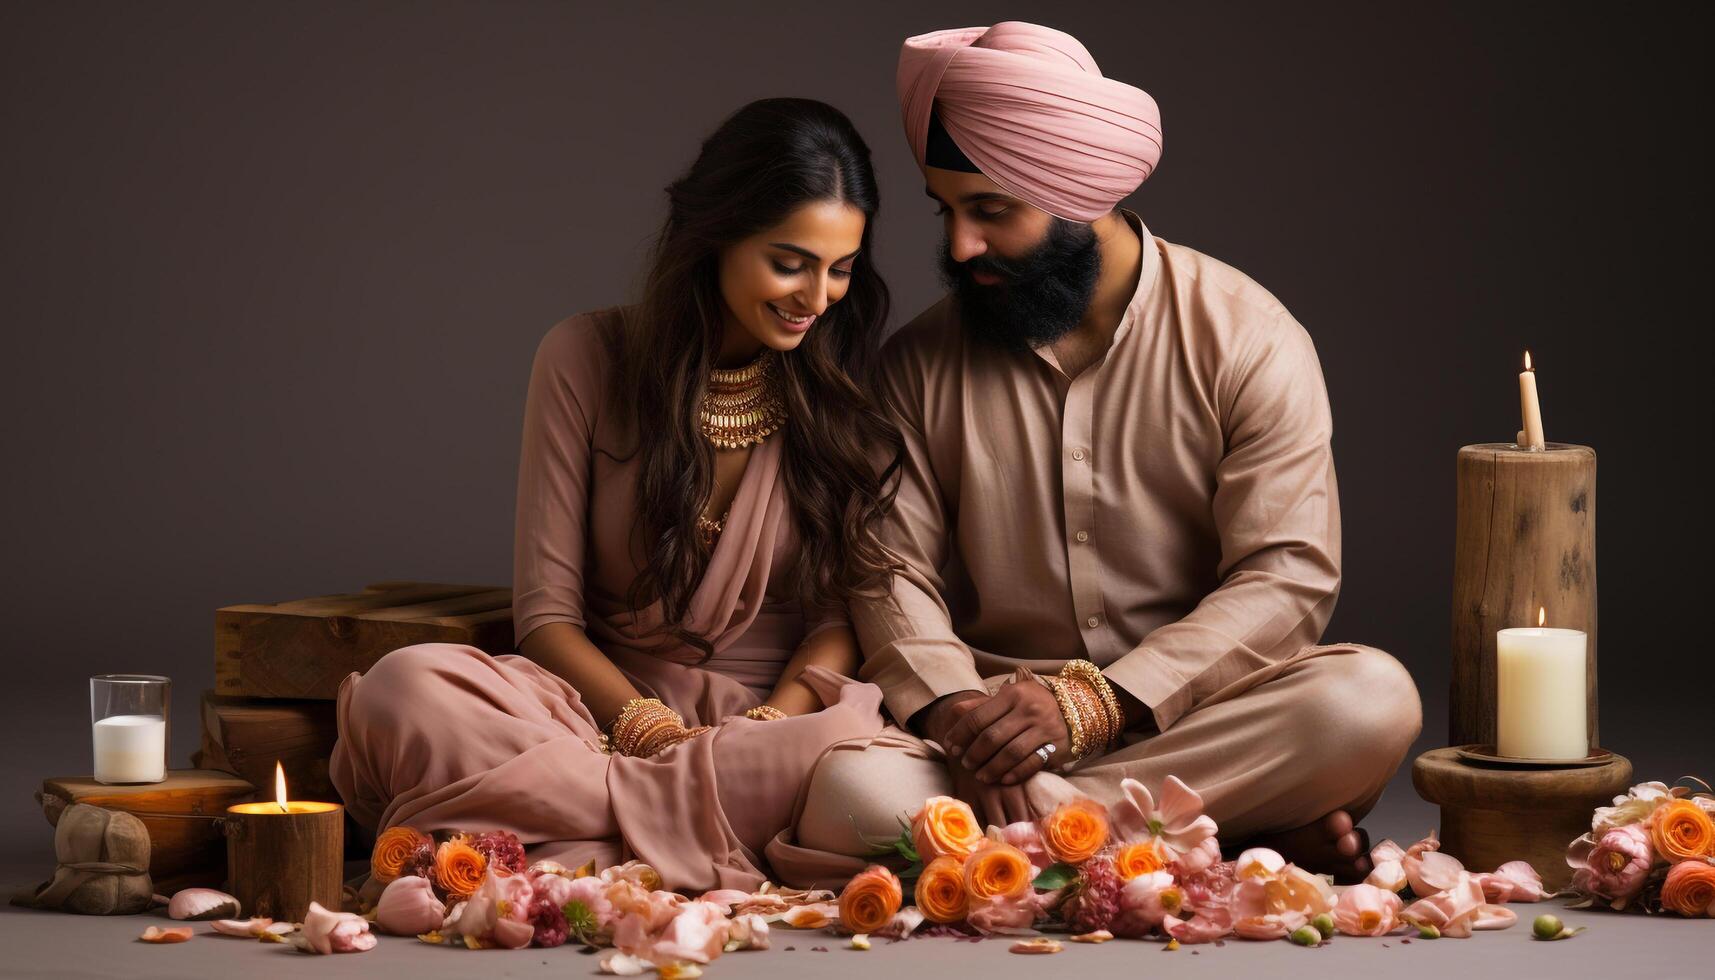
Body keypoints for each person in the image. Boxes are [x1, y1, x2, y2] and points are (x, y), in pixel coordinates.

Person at [766, 22, 1421, 886]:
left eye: (990, 211)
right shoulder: (919, 365)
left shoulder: (1246, 336)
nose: (959, 247)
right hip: (983, 735)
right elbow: (889, 573)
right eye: (947, 211)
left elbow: (1286, 576)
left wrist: (1095, 702)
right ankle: (1204, 832)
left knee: (1368, 700)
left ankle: (1041, 837)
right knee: (849, 785)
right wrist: (962, 713)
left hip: (1187, 719)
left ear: (1078, 192)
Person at [329, 98, 903, 893]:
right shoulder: (583, 357)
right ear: (716, 236)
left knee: (861, 773)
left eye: (840, 269)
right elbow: (546, 618)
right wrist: (647, 729)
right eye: (790, 262)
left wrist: (769, 722)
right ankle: (680, 833)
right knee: (405, 689)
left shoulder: (845, 393)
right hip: (594, 715)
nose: (817, 296)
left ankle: (566, 842)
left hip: (774, 722)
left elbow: (841, 621)